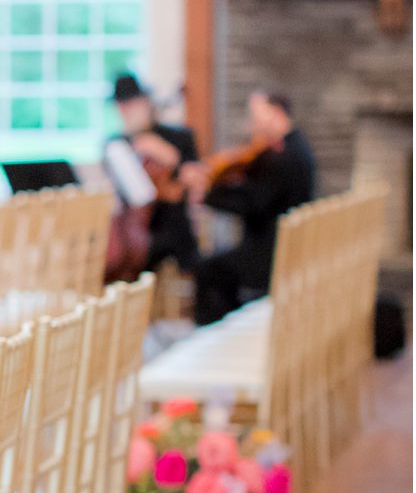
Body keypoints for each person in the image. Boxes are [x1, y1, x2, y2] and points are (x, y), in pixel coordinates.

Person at [186, 89, 317, 325]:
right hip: (280, 245)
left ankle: (221, 335)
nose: (252, 126)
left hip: (270, 253)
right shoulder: (298, 146)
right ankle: (232, 328)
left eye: (256, 118)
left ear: (276, 114)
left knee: (207, 270)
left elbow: (254, 204)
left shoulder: (282, 156)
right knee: (215, 265)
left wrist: (211, 195)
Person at [111, 72, 200, 273]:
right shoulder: (116, 144)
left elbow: (194, 182)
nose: (126, 111)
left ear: (145, 102)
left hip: (170, 225)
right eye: (121, 106)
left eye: (131, 104)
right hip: (132, 229)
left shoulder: (179, 138)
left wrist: (168, 156)